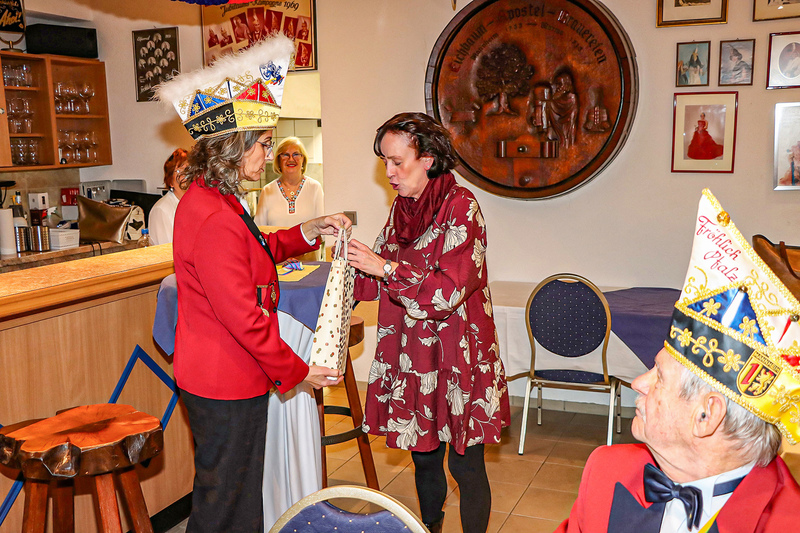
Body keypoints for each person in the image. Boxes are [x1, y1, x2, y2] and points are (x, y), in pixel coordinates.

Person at [156, 36, 346, 533]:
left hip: (221, 374)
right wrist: (298, 370)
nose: (267, 154)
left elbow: (257, 250)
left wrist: (308, 230)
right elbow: (242, 315)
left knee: (236, 498)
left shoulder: (213, 198)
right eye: (262, 143)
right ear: (232, 146)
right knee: (224, 506)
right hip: (224, 378)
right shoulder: (214, 214)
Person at [555, 189, 800, 533]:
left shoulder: (786, 521)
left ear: (706, 415)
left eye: (659, 376)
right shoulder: (606, 472)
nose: (638, 383)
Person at [346, 112, 510, 533]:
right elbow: (376, 280)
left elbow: (447, 292)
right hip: (414, 356)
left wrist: (384, 268)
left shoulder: (461, 206)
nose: (389, 172)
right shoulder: (402, 209)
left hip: (458, 354)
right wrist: (348, 260)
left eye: (397, 162)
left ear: (429, 159)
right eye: (385, 161)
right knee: (424, 458)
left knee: (465, 466)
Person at [254, 137, 324, 260]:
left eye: (296, 154)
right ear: (278, 160)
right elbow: (259, 233)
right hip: (278, 264)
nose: (291, 159)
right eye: (285, 155)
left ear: (303, 159)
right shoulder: (267, 191)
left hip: (308, 264)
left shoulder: (315, 188)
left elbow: (322, 231)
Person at [149, 148, 188, 245]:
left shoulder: (196, 204)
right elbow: (168, 251)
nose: (186, 176)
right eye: (179, 171)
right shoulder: (161, 210)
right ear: (170, 181)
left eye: (189, 170)